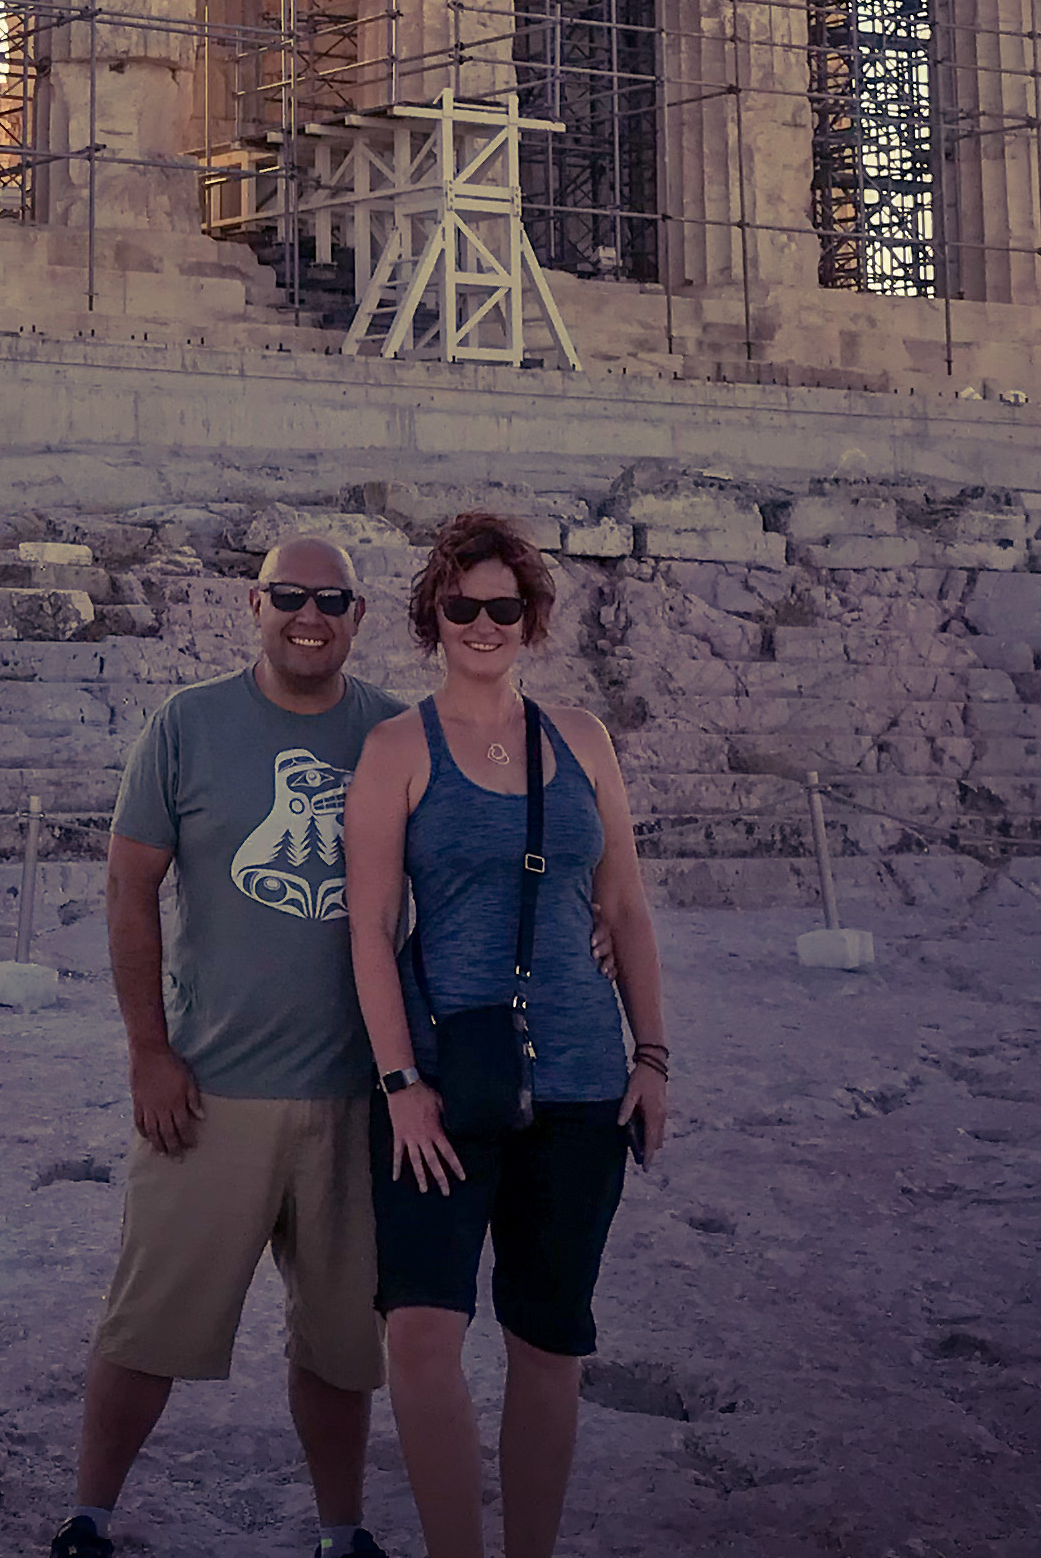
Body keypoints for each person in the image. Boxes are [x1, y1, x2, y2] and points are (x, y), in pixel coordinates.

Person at [54, 535, 404, 1558]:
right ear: (255, 603)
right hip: (210, 1090)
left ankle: (343, 1533)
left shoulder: (394, 735)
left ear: (357, 611)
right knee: (147, 1322)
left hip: (358, 1097)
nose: (310, 614)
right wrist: (147, 1052)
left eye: (330, 598)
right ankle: (90, 1518)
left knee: (344, 1346)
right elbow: (129, 888)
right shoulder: (188, 725)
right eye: (289, 595)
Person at [343, 513, 672, 1558]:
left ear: (531, 619)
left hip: (580, 1078)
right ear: (432, 618)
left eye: (504, 607)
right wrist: (399, 1082)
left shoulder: (583, 740)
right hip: (444, 1080)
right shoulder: (397, 748)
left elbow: (624, 907)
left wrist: (654, 1054)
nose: (484, 625)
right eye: (462, 607)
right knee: (423, 1335)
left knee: (548, 1342)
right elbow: (369, 926)